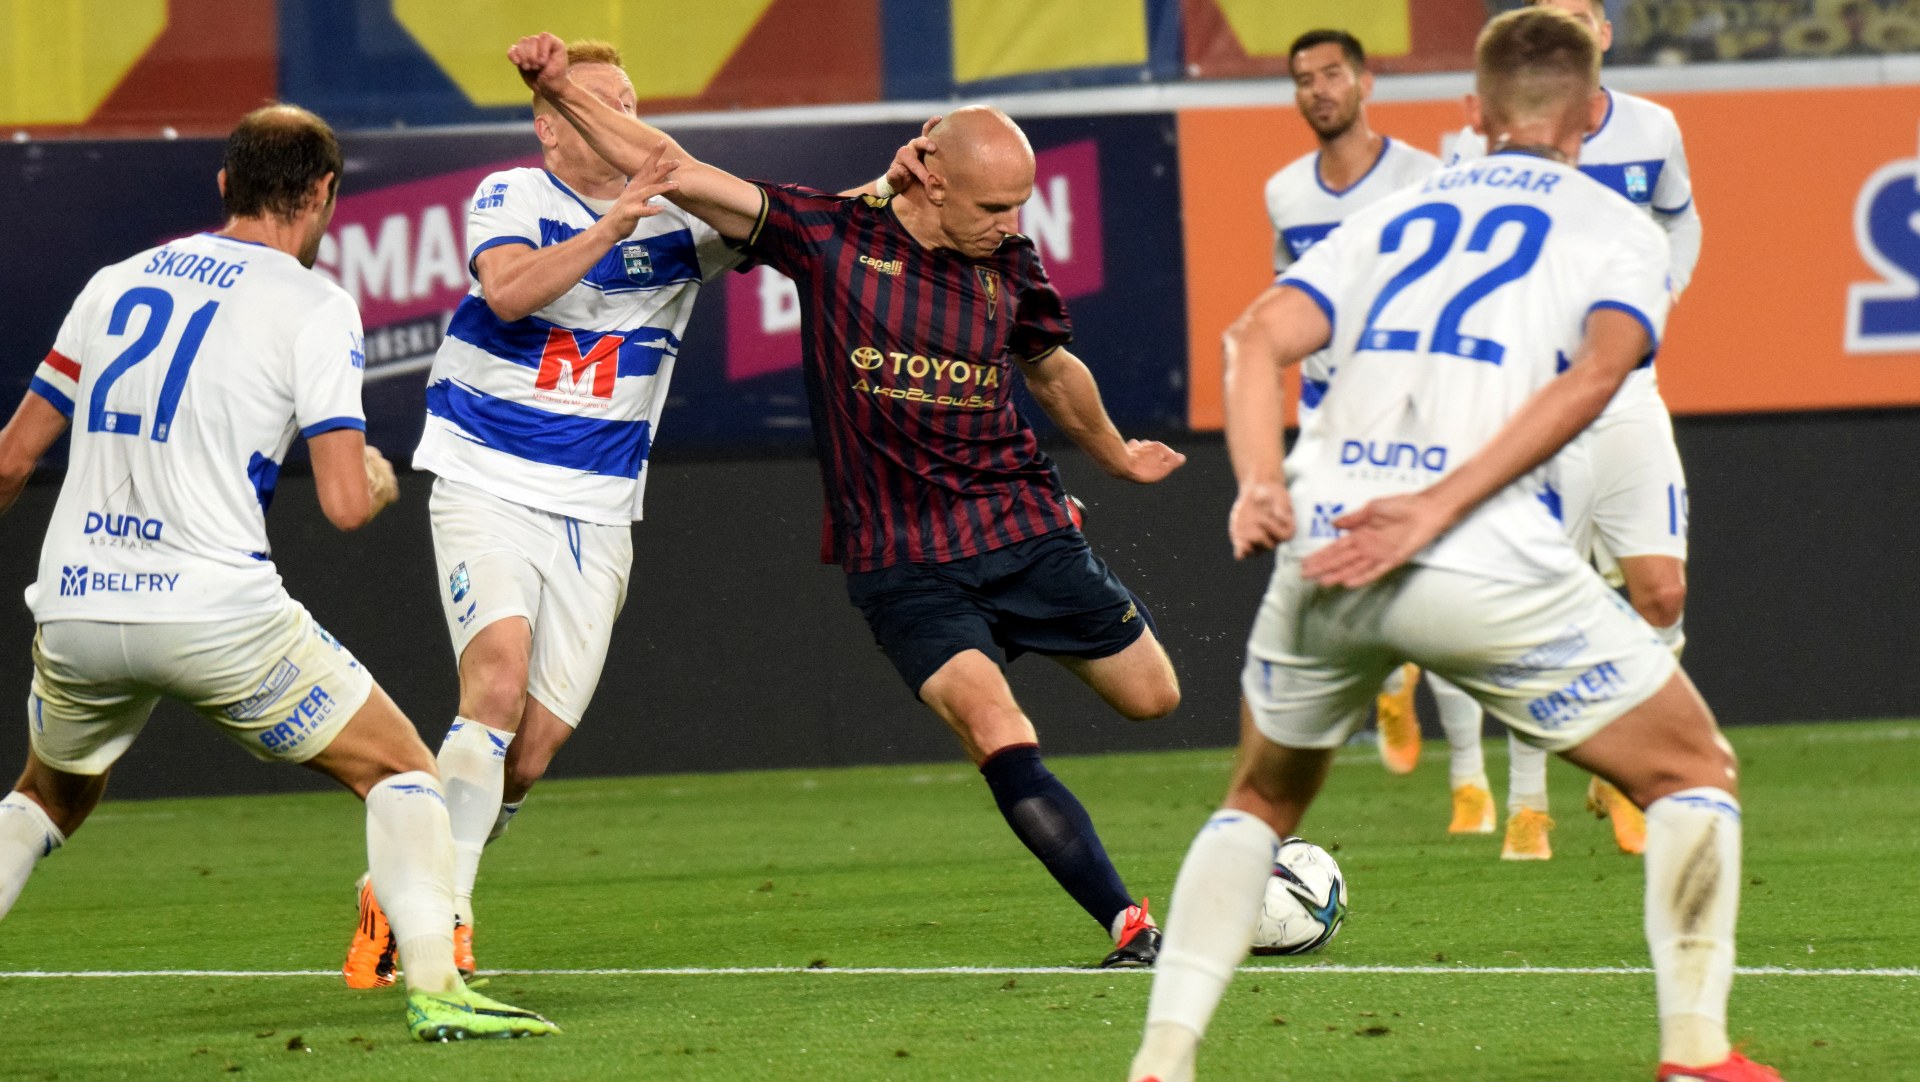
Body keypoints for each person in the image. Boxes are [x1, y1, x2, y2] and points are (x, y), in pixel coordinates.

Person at [1130, 9, 1779, 1082]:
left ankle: (1161, 1060)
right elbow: (1599, 375)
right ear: (1590, 117)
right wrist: (1438, 504)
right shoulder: (1615, 226)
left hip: (1325, 537)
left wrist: (1258, 483)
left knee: (1260, 799)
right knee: (1693, 771)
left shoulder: (1396, 211)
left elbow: (1252, 338)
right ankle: (1697, 1054)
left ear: (1473, 113)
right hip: (1475, 548)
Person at [510, 31, 1186, 967]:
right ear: (934, 181)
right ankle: (1129, 927)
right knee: (998, 729)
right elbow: (673, 167)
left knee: (1155, 698)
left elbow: (1050, 365)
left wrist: (1114, 456)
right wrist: (559, 89)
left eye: (1020, 203)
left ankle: (1032, 615)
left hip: (1025, 527)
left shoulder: (1009, 264)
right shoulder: (829, 236)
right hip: (906, 563)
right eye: (994, 205)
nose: (1011, 223)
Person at [341, 39, 928, 986]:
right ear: (550, 125)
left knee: (531, 753)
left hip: (599, 505)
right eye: (596, 104)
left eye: (629, 103)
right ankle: (446, 917)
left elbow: (806, 226)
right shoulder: (510, 194)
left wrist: (889, 183)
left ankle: (396, 881)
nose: (623, 120)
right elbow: (509, 291)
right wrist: (615, 224)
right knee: (495, 681)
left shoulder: (684, 216)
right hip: (487, 477)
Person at [0, 105, 555, 1041]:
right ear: (325, 193)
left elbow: (11, 461)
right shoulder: (314, 305)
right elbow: (343, 503)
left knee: (44, 796)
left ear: (226, 184)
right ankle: (436, 988)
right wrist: (374, 478)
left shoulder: (113, 283)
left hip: (77, 606)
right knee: (403, 772)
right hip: (215, 614)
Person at [1445, 0, 1703, 860]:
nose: (1569, 27)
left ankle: (1623, 775)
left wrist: (1661, 295)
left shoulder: (1652, 128)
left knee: (1661, 593)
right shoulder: (1489, 142)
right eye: (1550, 14)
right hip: (1539, 404)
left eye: (1582, 14)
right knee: (1543, 599)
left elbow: (1681, 217)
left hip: (1626, 393)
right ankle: (1528, 804)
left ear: (1605, 32)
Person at [1263, 30, 1496, 834]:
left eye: (1332, 73)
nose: (1319, 89)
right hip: (1330, 424)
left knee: (1443, 584)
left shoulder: (1424, 178)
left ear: (1365, 83)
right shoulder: (1285, 193)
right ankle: (1390, 682)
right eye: (1304, 78)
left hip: (1415, 416)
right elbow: (1287, 301)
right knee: (1337, 585)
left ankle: (1470, 780)